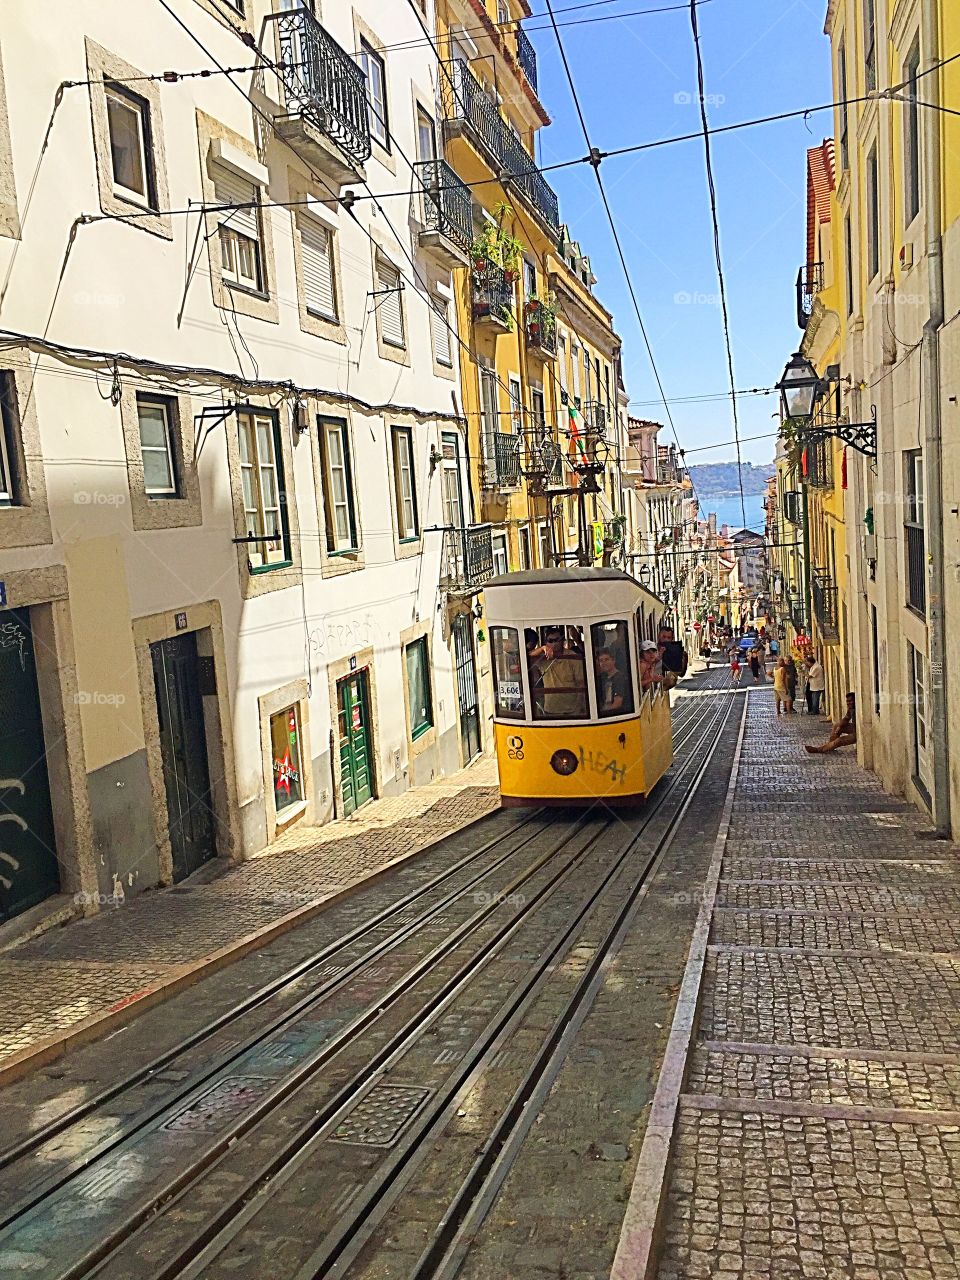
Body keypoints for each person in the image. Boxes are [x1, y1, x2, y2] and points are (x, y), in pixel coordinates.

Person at [539, 631, 587, 718]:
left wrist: (578, 710)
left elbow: (581, 684)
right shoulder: (542, 658)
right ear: (546, 642)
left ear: (562, 641)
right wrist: (542, 649)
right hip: (550, 710)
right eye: (550, 640)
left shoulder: (573, 657)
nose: (554, 643)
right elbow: (525, 657)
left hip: (571, 711)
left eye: (557, 640)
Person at [596, 647, 631, 716]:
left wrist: (601, 714)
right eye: (601, 660)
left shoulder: (619, 678)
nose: (603, 663)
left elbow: (617, 704)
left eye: (606, 659)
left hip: (616, 715)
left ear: (613, 660)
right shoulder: (603, 677)